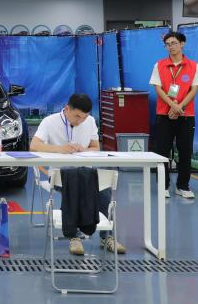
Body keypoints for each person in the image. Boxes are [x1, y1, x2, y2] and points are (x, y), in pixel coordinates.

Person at [30, 93, 126, 257]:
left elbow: (96, 147)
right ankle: (74, 236)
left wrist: (84, 149)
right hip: (60, 175)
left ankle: (107, 237)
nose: (80, 121)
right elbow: (34, 145)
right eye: (77, 116)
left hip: (86, 174)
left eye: (84, 117)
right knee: (74, 187)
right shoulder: (49, 122)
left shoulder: (90, 121)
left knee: (104, 191)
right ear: (67, 109)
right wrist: (60, 149)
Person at [151, 30, 198, 200]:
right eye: (167, 44)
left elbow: (194, 89)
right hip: (164, 115)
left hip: (185, 115)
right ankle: (163, 186)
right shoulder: (159, 65)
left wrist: (180, 107)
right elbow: (158, 88)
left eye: (174, 43)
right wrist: (173, 105)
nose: (171, 47)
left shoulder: (194, 66)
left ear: (182, 44)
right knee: (162, 152)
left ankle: (183, 186)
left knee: (185, 151)